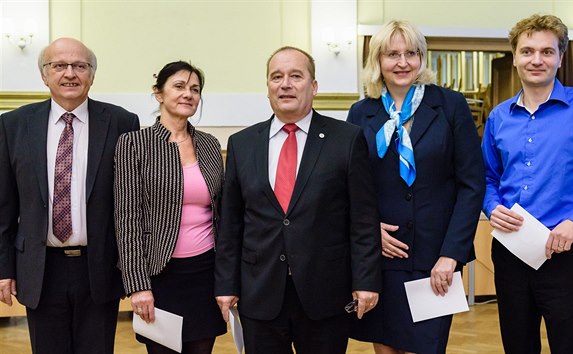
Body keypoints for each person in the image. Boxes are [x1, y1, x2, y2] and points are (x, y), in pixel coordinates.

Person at [214, 46, 382, 354]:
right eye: (276, 77)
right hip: (259, 292)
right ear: (268, 88)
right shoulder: (242, 144)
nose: (285, 84)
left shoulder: (346, 139)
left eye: (296, 76)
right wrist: (226, 285)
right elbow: (231, 222)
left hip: (325, 292)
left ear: (314, 87)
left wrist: (367, 280)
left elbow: (363, 219)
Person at [482, 14, 573, 354]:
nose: (537, 60)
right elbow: (488, 178)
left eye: (547, 52)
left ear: (561, 57)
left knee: (572, 347)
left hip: (568, 254)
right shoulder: (499, 117)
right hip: (510, 252)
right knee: (517, 346)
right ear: (515, 57)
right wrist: (492, 207)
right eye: (528, 51)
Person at [347, 20, 485, 354]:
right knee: (386, 347)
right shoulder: (361, 113)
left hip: (435, 260)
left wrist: (451, 255)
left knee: (426, 347)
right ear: (377, 61)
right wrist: (368, 232)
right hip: (382, 257)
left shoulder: (450, 106)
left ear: (422, 58)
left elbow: (472, 184)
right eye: (392, 54)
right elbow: (349, 188)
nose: (402, 62)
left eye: (411, 53)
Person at [0, 38, 139, 354]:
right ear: (44, 75)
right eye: (59, 65)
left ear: (92, 74)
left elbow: (131, 204)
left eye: (80, 65)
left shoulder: (122, 123)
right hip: (39, 267)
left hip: (98, 267)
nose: (70, 73)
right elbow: (4, 207)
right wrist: (4, 269)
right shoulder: (13, 125)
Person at [114, 61, 226, 354]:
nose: (188, 94)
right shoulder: (133, 144)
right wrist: (137, 284)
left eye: (195, 89)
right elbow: (127, 219)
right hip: (160, 276)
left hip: (205, 273)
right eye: (179, 86)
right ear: (158, 94)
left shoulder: (210, 144)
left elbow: (221, 213)